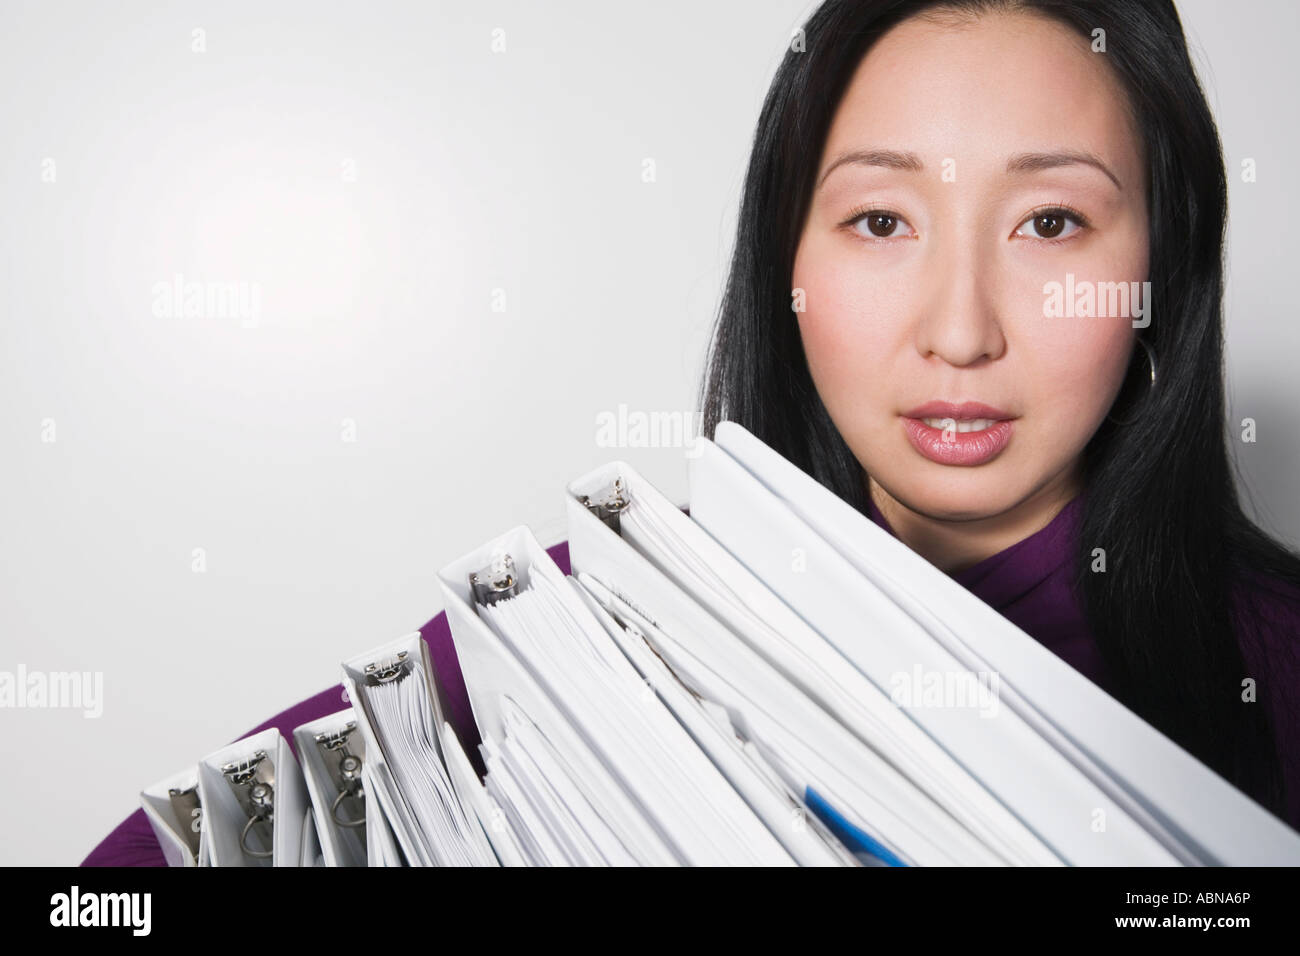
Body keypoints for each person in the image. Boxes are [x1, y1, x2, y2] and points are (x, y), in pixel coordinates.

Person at [83, 0, 1300, 864]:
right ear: (787, 266)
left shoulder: (1276, 664)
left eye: (1049, 223)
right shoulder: (582, 628)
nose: (959, 330)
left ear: (1161, 269)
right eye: (881, 221)